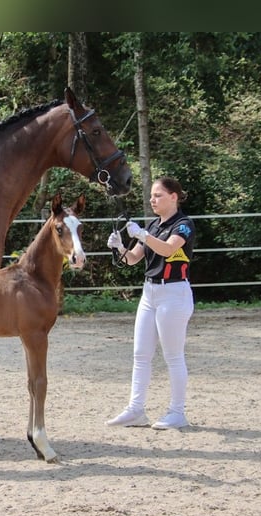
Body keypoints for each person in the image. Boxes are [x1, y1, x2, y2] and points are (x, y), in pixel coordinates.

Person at [105, 176, 195, 430]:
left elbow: (168, 250)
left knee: (173, 356)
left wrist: (142, 235)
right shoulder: (154, 225)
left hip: (174, 293)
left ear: (173, 197)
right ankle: (135, 409)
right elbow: (132, 259)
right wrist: (120, 246)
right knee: (141, 355)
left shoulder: (184, 225)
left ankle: (177, 412)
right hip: (150, 293)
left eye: (158, 195)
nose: (152, 199)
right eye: (152, 196)